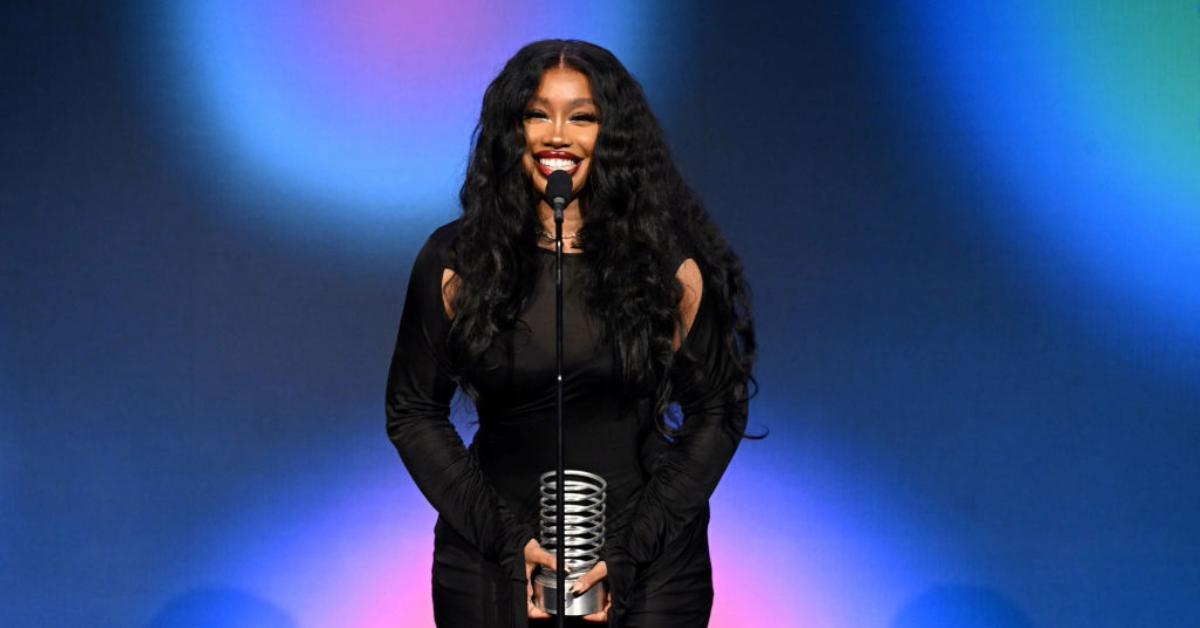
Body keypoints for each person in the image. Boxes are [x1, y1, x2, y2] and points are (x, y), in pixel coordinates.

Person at [386, 39, 756, 627]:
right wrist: (506, 543)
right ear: (512, 129)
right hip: (494, 556)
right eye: (538, 113)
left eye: (581, 116)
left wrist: (630, 549)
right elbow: (412, 411)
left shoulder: (668, 267)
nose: (557, 134)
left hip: (649, 563)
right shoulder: (457, 261)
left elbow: (718, 412)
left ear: (612, 135)